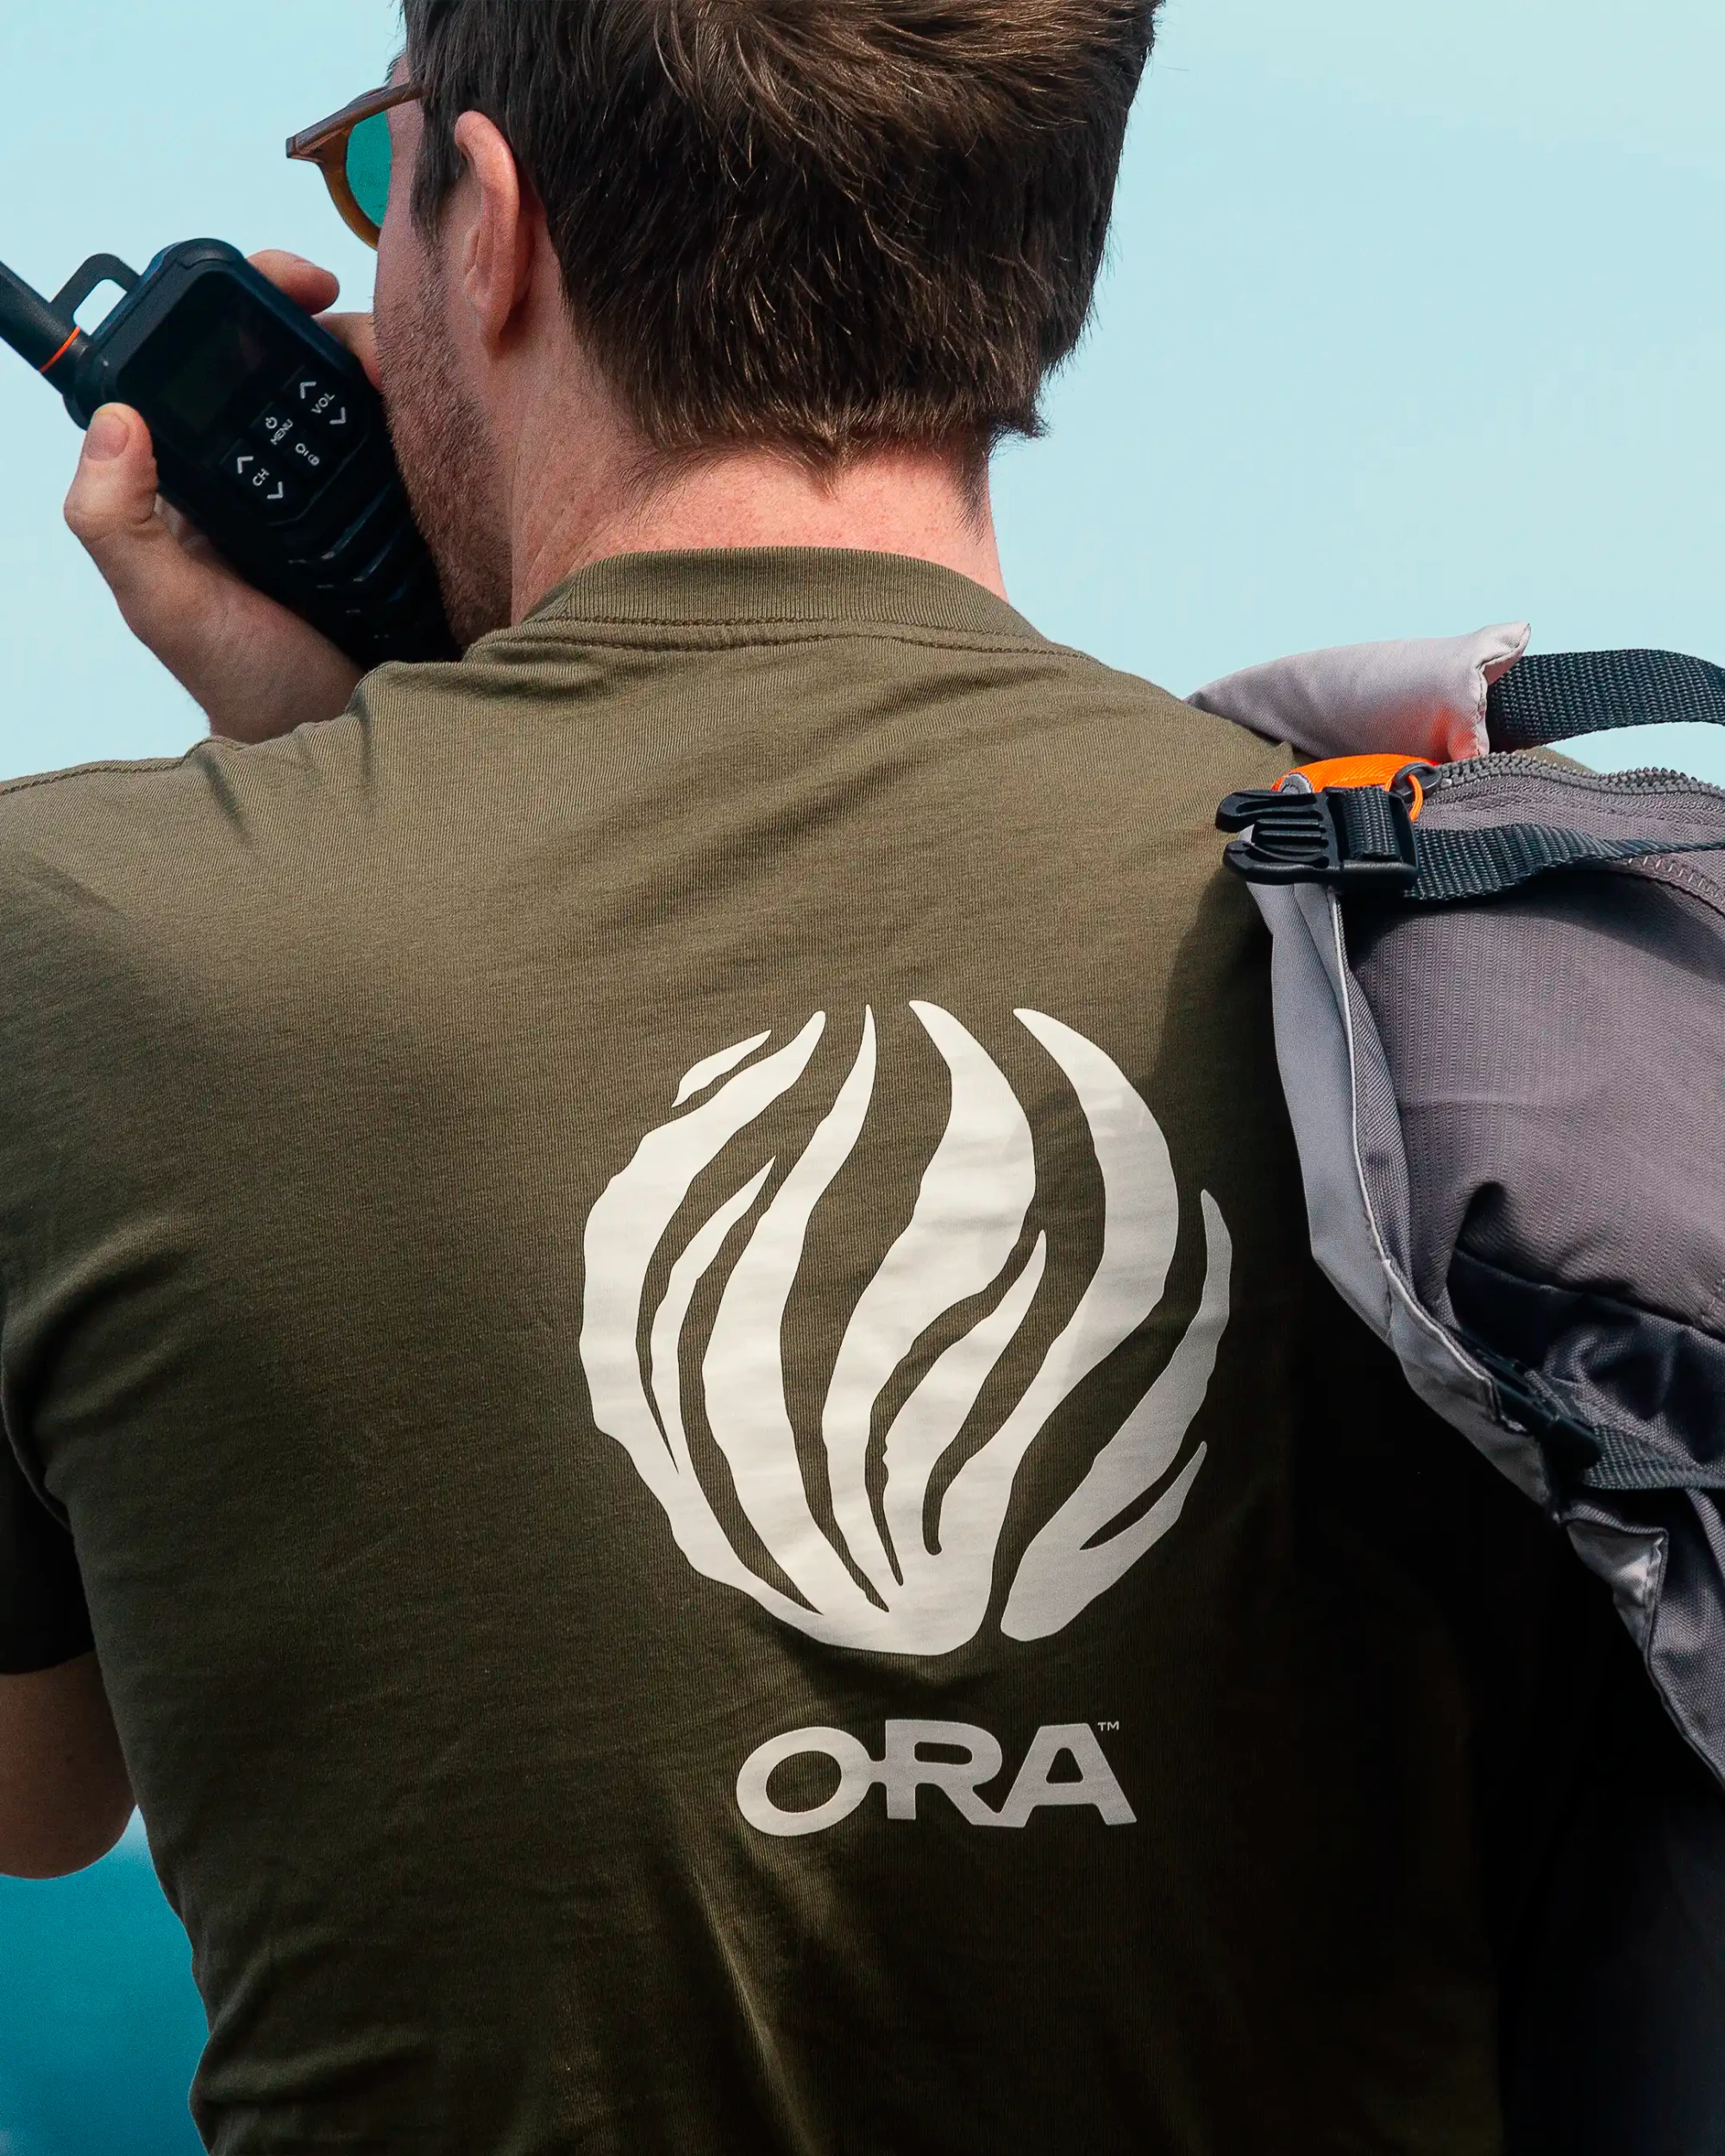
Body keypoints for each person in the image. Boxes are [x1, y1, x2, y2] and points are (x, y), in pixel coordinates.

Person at [0, 3, 1600, 2148]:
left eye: (382, 171)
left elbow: (33, 1794)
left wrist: (362, 788)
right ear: (1041, 243)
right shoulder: (1466, 938)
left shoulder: (70, 941)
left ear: (495, 232)